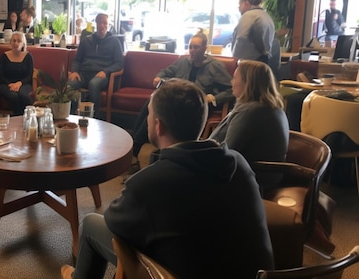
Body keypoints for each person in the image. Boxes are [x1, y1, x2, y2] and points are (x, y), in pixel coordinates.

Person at [60, 79, 274, 279]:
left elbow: (115, 222)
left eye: (149, 114)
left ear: (158, 126)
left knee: (90, 223)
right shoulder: (239, 163)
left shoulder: (149, 183)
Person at [123, 31, 234, 181]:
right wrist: (159, 78)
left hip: (198, 106)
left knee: (159, 110)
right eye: (190, 47)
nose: (192, 51)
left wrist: (213, 98)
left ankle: (135, 152)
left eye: (196, 47)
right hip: (177, 101)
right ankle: (134, 151)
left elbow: (231, 89)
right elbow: (164, 72)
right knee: (152, 103)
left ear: (204, 48)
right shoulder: (183, 62)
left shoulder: (215, 66)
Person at [209, 60, 289, 164]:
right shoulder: (270, 108)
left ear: (247, 82)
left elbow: (227, 153)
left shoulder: (250, 111)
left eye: (234, 78)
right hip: (257, 172)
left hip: (249, 175)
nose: (231, 82)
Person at [68, 13, 124, 118]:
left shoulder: (114, 42)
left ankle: (95, 118)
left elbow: (119, 63)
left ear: (108, 25)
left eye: (105, 23)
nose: (102, 26)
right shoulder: (86, 41)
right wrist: (74, 71)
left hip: (101, 75)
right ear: (96, 24)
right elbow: (77, 60)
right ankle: (70, 117)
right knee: (69, 85)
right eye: (100, 23)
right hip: (83, 74)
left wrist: (105, 71)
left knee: (93, 84)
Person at [231, 0, 275, 64]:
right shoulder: (266, 16)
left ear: (246, 3)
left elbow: (241, 38)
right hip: (264, 59)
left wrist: (235, 58)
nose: (238, 8)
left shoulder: (249, 15)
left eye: (239, 4)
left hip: (249, 61)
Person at [0, 32, 34, 116]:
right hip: (6, 84)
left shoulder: (28, 56)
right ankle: (19, 117)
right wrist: (11, 84)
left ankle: (31, 117)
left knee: (23, 95)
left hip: (24, 84)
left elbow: (29, 75)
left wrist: (19, 83)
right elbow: (1, 75)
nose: (16, 43)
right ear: (10, 42)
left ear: (23, 44)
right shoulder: (4, 56)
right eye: (13, 41)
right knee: (13, 96)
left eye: (19, 41)